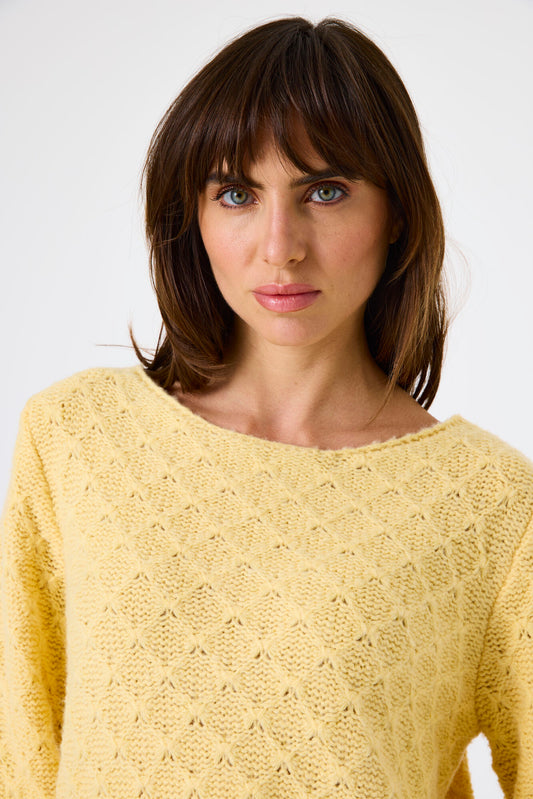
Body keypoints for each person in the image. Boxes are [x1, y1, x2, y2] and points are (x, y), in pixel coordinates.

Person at [1, 16, 532, 799]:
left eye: (325, 190)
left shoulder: (490, 506)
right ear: (193, 217)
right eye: (236, 194)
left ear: (396, 212)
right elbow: (20, 752)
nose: (280, 246)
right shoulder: (76, 438)